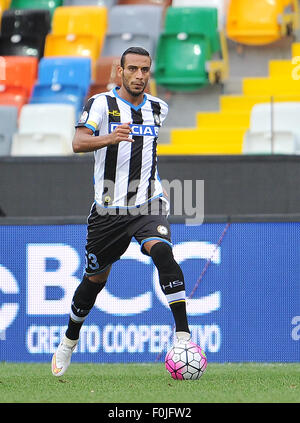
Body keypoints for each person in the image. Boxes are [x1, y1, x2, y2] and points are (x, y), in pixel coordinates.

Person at [51, 47, 191, 377]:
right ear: (120, 71)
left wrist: (155, 182)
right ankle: (70, 339)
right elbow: (78, 142)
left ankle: (183, 336)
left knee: (163, 254)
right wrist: (110, 138)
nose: (140, 75)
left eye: (145, 70)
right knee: (95, 280)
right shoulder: (100, 104)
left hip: (147, 205)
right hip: (108, 213)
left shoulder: (159, 108)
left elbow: (149, 152)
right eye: (133, 69)